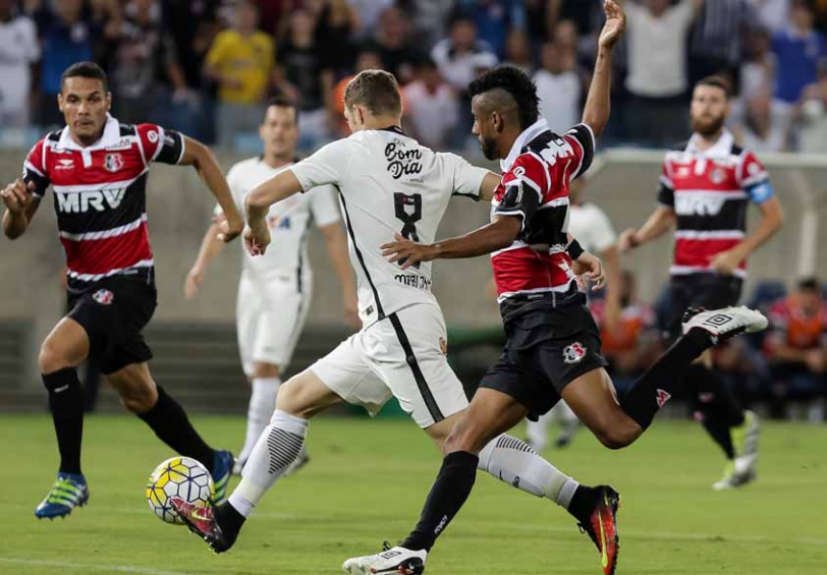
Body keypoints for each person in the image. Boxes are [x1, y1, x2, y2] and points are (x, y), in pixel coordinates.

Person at [343, 4, 768, 574]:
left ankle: (693, 338)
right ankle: (414, 552)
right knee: (463, 437)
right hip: (526, 327)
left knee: (615, 430)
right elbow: (594, 124)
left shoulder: (523, 170)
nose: (472, 130)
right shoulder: (558, 150)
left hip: (551, 318)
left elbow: (511, 227)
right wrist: (605, 52)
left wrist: (433, 248)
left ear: (497, 120)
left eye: (476, 121)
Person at [171, 68, 618, 565]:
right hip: (390, 322)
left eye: (347, 117)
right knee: (293, 397)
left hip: (398, 323)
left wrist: (258, 230)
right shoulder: (437, 161)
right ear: (397, 111)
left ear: (357, 114)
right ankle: (228, 520)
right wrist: (569, 245)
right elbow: (514, 193)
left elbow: (257, 197)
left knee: (463, 439)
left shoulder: (348, 150)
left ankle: (584, 500)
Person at [0, 62, 243, 520]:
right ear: (61, 103)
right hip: (84, 293)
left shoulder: (137, 141)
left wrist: (231, 214)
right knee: (138, 395)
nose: (84, 109)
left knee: (53, 357)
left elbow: (202, 155)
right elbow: (15, 229)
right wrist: (14, 211)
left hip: (130, 285)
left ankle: (70, 476)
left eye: (93, 99)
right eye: (74, 100)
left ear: (108, 101)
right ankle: (214, 461)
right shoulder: (47, 154)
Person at [619, 74, 784, 489]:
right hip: (681, 277)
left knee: (692, 335)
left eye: (714, 100)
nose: (706, 106)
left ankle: (742, 426)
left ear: (726, 109)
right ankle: (738, 452)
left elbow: (775, 217)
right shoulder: (676, 160)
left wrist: (737, 253)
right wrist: (640, 235)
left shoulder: (741, 160)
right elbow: (667, 213)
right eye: (699, 99)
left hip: (719, 278)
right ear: (691, 106)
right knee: (690, 371)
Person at [184, 96, 359, 474]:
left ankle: (249, 456)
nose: (279, 131)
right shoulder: (242, 174)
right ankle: (290, 449)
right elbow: (222, 227)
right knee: (258, 376)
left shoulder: (310, 178)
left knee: (265, 368)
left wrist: (350, 292)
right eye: (273, 124)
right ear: (263, 130)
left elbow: (333, 237)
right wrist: (200, 265)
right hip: (252, 287)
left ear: (296, 132)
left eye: (287, 125)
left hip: (288, 285)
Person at [525, 177, 623, 451]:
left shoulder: (593, 217)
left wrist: (613, 302)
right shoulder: (545, 209)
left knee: (556, 362)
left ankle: (558, 421)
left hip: (572, 302)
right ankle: (552, 425)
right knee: (545, 360)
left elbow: (612, 260)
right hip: (536, 297)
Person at [764, 277, 826, 419]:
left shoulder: (824, 314)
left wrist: (821, 357)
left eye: (813, 295)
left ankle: (819, 413)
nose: (809, 299)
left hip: (814, 360)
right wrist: (806, 356)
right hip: (787, 359)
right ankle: (777, 416)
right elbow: (776, 349)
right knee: (775, 368)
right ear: (798, 295)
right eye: (805, 294)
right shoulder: (782, 310)